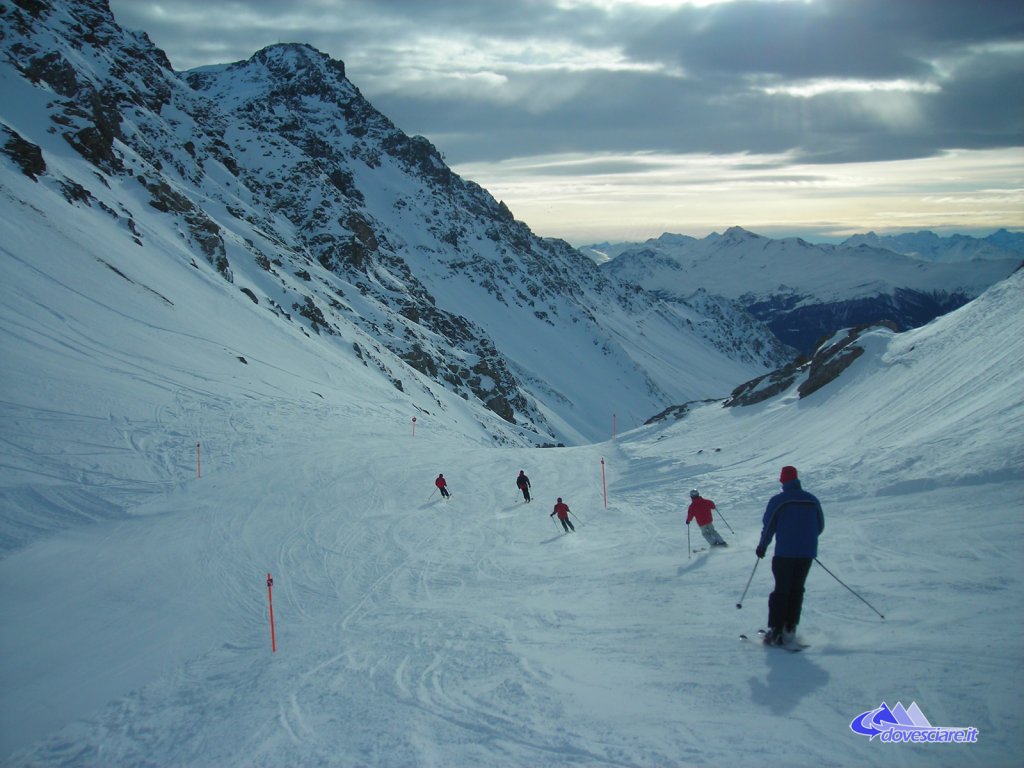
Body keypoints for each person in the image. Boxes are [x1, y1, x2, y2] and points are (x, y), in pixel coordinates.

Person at [755, 466, 825, 646]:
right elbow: (820, 526)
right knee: (797, 590)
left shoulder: (780, 501)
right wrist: (806, 541)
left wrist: (762, 546)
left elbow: (769, 526)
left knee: (781, 591)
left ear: (783, 481)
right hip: (807, 553)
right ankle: (790, 629)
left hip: (785, 553)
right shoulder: (812, 500)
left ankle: (776, 632)